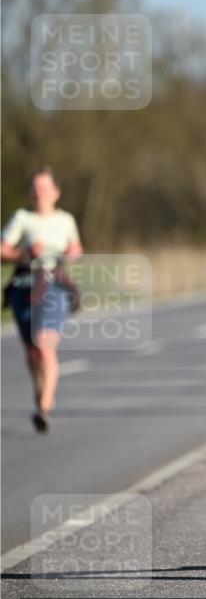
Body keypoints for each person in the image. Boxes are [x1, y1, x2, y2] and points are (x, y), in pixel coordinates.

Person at [1, 168, 83, 432]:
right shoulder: (22, 218)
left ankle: (44, 407)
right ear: (30, 193)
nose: (40, 192)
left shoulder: (66, 220)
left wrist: (72, 252)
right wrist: (23, 252)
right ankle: (40, 393)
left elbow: (77, 249)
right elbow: (3, 250)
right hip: (24, 285)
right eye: (35, 188)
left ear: (56, 193)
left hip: (54, 286)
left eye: (45, 188)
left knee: (45, 344)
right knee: (32, 352)